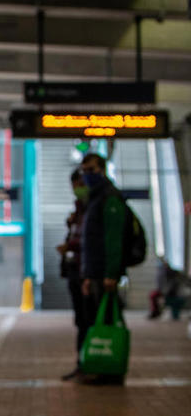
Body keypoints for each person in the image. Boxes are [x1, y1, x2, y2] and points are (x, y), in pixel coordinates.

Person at [73, 152, 126, 384]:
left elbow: (114, 239)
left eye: (92, 170)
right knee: (95, 319)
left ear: (103, 170)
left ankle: (111, 371)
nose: (88, 176)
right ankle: (100, 367)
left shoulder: (109, 198)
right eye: (85, 171)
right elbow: (90, 242)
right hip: (94, 273)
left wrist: (111, 273)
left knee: (106, 321)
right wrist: (87, 275)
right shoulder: (94, 199)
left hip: (104, 274)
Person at [59, 169, 88, 381]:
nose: (77, 189)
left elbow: (93, 240)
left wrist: (71, 245)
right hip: (77, 271)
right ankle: (84, 363)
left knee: (88, 320)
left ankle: (92, 363)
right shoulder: (80, 210)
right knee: (81, 320)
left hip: (86, 272)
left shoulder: (97, 205)